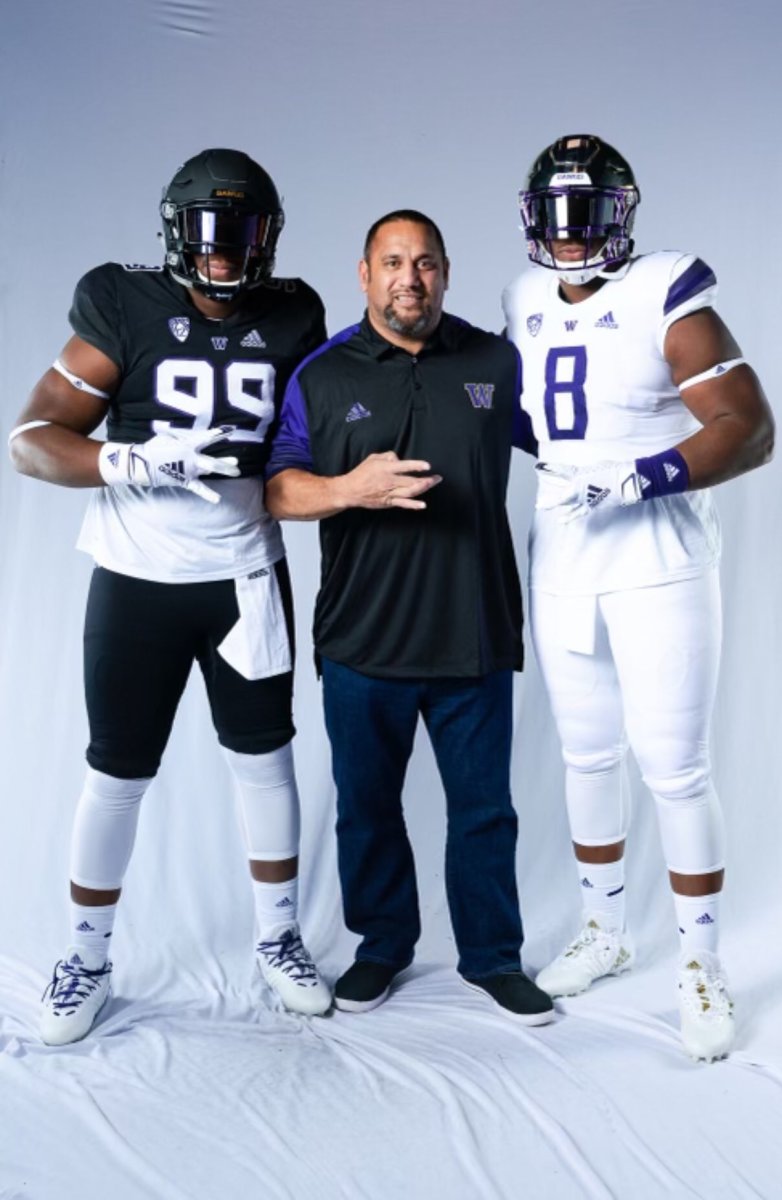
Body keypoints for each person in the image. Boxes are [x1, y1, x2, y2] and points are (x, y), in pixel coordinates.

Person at [9, 148, 332, 1044]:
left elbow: (315, 438)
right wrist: (127, 459)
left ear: (269, 238)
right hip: (138, 577)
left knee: (265, 762)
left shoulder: (296, 311)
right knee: (116, 770)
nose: (224, 253)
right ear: (174, 232)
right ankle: (85, 956)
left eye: (243, 233)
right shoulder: (122, 301)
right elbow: (30, 441)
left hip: (242, 577)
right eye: (207, 232)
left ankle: (277, 940)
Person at [503, 134, 774, 1060]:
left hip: (656, 553)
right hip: (564, 552)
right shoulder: (521, 296)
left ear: (624, 215)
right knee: (585, 756)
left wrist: (646, 474)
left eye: (591, 214)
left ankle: (701, 963)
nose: (572, 237)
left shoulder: (665, 292)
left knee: (674, 765)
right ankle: (605, 929)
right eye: (558, 215)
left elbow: (751, 426)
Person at [264, 210, 554, 1025]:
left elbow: (571, 437)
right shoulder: (321, 375)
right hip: (361, 641)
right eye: (392, 262)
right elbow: (280, 490)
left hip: (475, 633)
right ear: (363, 274)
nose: (409, 279)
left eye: (424, 263)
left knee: (485, 812)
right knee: (365, 809)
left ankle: (493, 958)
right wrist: (348, 488)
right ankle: (381, 947)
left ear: (446, 272)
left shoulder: (496, 361)